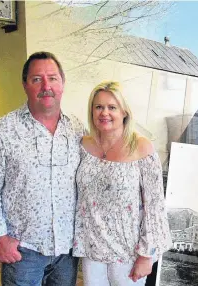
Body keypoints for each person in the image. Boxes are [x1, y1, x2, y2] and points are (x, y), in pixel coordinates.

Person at [0, 51, 86, 285]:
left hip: (67, 250)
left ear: (62, 83)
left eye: (52, 78)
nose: (46, 86)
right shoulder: (3, 130)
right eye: (37, 79)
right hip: (23, 250)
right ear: (25, 85)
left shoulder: (77, 129)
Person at [73, 81, 172, 286]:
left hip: (129, 253)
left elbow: (155, 206)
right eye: (98, 107)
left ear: (124, 112)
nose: (104, 113)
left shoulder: (141, 147)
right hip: (93, 248)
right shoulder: (83, 145)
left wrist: (146, 254)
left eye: (112, 107)